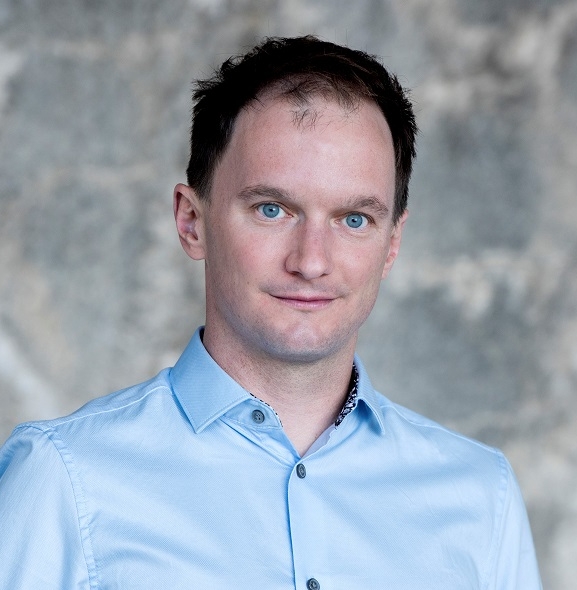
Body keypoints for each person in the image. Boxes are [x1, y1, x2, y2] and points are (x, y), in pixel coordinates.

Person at [0, 36, 542, 589]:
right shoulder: (64, 479)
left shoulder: (482, 498)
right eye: (272, 209)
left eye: (354, 219)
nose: (311, 261)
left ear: (392, 243)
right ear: (192, 222)